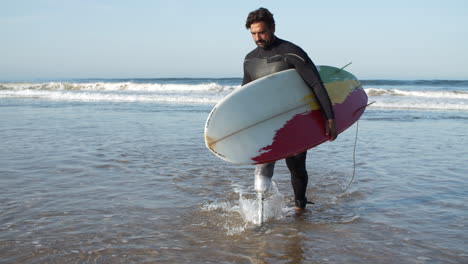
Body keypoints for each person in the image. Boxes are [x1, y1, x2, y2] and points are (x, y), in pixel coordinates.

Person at [242, 7, 337, 210]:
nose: (258, 37)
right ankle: (260, 212)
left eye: (262, 32)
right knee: (262, 167)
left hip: (294, 120)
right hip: (266, 121)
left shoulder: (291, 52)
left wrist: (329, 118)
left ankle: (299, 206)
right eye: (253, 34)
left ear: (273, 28)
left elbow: (315, 84)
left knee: (296, 166)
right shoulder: (250, 59)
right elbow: (245, 94)